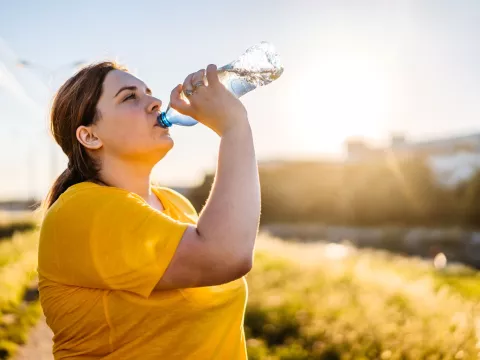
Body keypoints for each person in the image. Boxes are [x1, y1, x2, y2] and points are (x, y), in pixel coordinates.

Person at [37, 61, 261, 359]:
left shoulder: (174, 204)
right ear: (90, 136)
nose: (155, 103)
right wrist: (234, 127)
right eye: (130, 97)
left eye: (149, 93)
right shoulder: (81, 209)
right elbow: (225, 256)